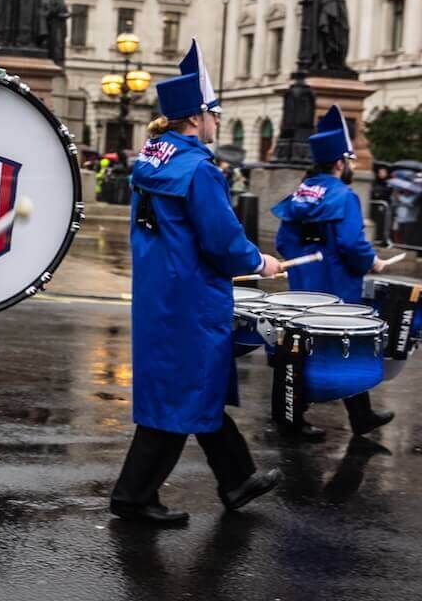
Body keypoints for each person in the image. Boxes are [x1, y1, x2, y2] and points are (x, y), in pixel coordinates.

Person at [110, 38, 283, 527]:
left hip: (160, 295)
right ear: (195, 117)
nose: (218, 122)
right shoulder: (200, 170)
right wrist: (260, 261)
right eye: (215, 113)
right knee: (186, 393)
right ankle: (133, 497)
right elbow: (224, 243)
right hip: (191, 297)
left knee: (192, 389)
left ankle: (237, 479)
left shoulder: (150, 162)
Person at [272, 105, 391, 441]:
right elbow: (354, 245)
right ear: (341, 161)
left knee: (300, 344)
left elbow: (283, 241)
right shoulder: (344, 195)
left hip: (304, 284)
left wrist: (306, 260)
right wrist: (371, 263)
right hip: (338, 285)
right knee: (346, 345)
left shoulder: (300, 193)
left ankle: (359, 415)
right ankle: (296, 421)